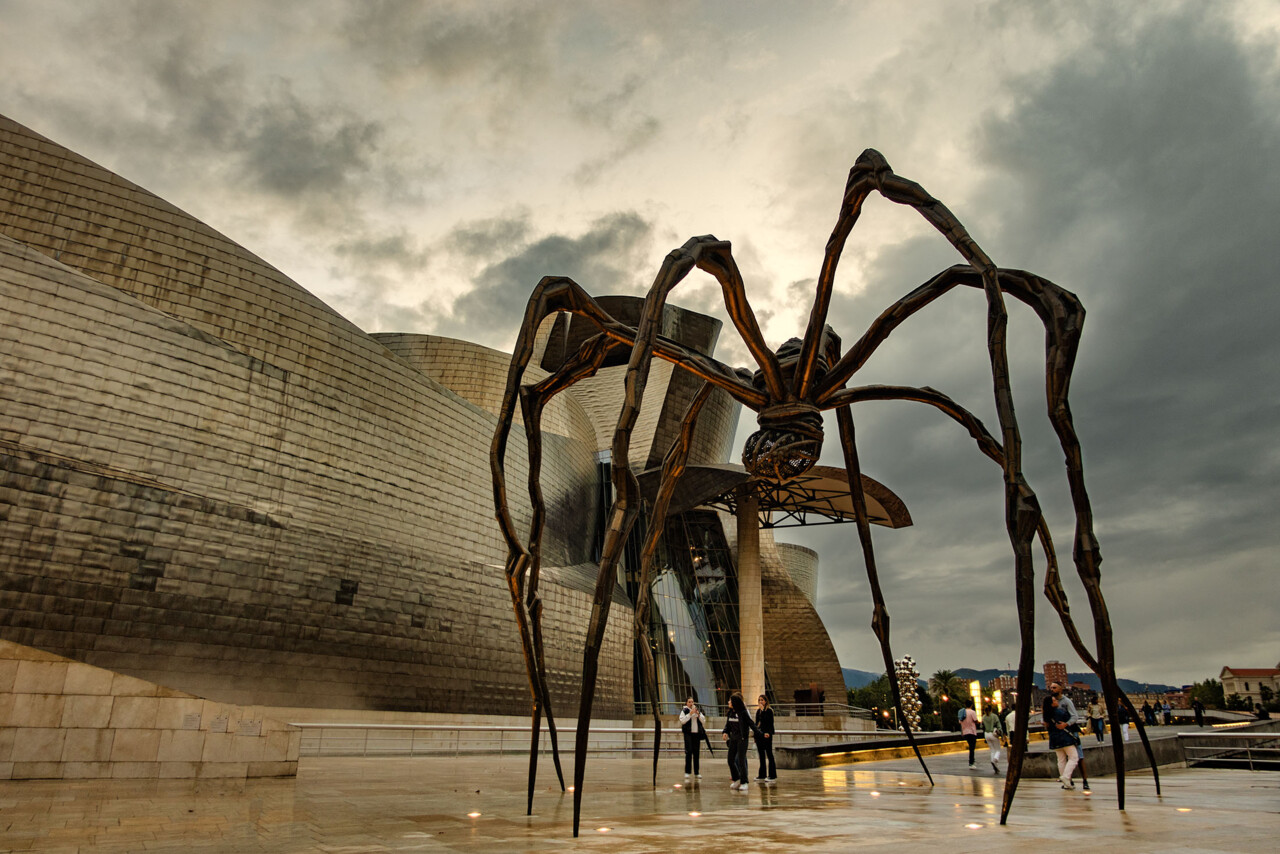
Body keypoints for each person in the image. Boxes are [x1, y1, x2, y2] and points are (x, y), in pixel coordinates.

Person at [722, 691, 761, 791]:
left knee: (741, 760)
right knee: (730, 759)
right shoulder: (730, 713)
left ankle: (744, 782)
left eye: (730, 701)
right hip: (733, 739)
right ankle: (736, 779)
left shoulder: (743, 713)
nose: (728, 702)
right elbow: (727, 725)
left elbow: (751, 724)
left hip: (742, 739)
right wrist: (725, 732)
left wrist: (759, 733)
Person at [1042, 692, 1079, 790]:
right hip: (1065, 737)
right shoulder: (1060, 712)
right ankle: (1066, 777)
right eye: (1054, 700)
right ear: (1051, 704)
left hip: (1054, 739)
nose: (1057, 701)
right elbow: (1071, 720)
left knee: (1061, 760)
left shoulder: (1046, 715)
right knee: (1074, 757)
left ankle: (1066, 783)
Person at [679, 697, 707, 778]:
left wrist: (698, 714)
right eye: (689, 702)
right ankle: (687, 771)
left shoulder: (697, 710)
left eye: (692, 702)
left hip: (696, 734)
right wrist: (690, 714)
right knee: (689, 752)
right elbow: (682, 721)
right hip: (688, 734)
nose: (691, 703)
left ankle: (696, 772)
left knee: (696, 753)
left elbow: (703, 720)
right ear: (686, 703)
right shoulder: (684, 711)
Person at [753, 695, 777, 782]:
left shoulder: (769, 711)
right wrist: (755, 736)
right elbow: (757, 724)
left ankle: (772, 775)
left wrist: (763, 711)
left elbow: (768, 722)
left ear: (765, 701)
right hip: (760, 735)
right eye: (759, 700)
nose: (760, 702)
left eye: (762, 700)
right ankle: (762, 775)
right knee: (761, 756)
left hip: (767, 735)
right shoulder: (758, 711)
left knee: (769, 755)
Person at [981, 704, 1003, 774]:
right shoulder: (994, 716)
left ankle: (994, 763)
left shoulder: (983, 717)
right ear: (991, 709)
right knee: (998, 749)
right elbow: (998, 725)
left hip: (986, 734)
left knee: (992, 750)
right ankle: (995, 759)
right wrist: (1001, 733)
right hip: (993, 733)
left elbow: (981, 726)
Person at [959, 698, 979, 770]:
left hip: (965, 732)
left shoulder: (962, 712)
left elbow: (960, 721)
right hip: (972, 731)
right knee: (972, 748)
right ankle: (971, 763)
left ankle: (972, 761)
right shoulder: (972, 712)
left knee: (971, 747)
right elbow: (975, 720)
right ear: (971, 705)